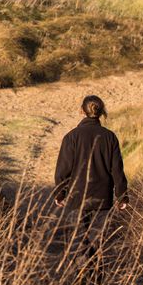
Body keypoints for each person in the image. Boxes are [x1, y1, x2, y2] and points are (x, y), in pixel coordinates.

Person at [52, 95, 128, 260]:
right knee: (98, 244)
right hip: (102, 200)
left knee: (79, 244)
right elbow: (117, 170)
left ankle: (81, 281)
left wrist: (60, 193)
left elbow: (62, 171)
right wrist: (122, 196)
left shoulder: (71, 137)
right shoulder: (110, 137)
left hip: (77, 199)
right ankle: (95, 281)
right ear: (102, 112)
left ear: (82, 111)